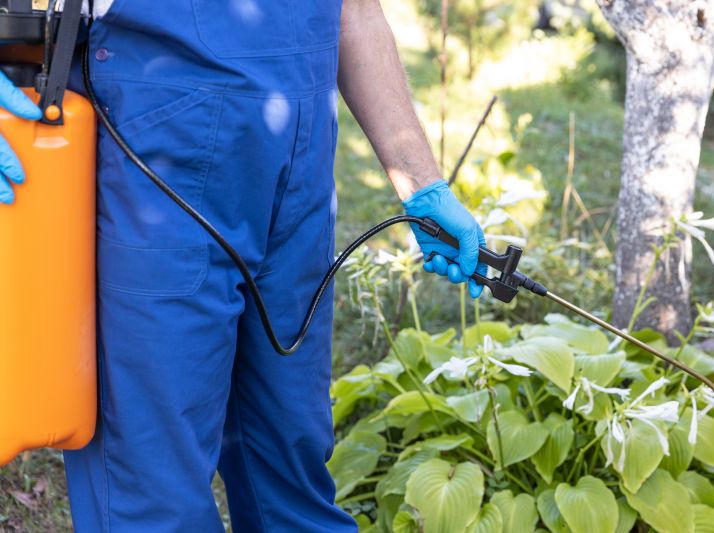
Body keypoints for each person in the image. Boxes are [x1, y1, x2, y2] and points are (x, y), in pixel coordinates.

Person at [0, 1, 486, 531]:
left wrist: (422, 182)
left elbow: (357, 11)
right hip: (152, 150)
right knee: (152, 485)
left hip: (297, 169)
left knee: (290, 466)